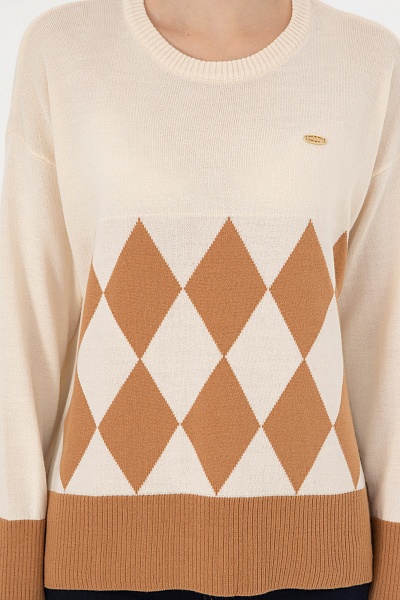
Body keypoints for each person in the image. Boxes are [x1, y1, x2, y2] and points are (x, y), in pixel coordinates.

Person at [1, 0, 399, 598]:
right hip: (101, 555)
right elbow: (24, 324)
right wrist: (11, 565)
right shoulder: (63, 48)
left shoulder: (369, 62)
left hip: (311, 553)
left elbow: (385, 334)